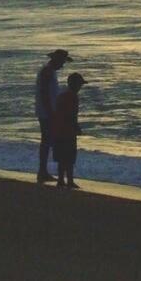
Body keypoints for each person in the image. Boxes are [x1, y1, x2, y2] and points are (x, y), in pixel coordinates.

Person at [35, 48, 70, 183]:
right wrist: (51, 112)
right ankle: (42, 171)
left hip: (46, 111)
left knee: (47, 141)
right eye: (62, 62)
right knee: (46, 141)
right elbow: (44, 93)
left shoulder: (49, 71)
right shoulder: (47, 72)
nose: (62, 65)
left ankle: (43, 171)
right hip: (46, 112)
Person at [53, 72, 86, 189]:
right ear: (75, 85)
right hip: (67, 131)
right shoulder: (73, 97)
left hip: (57, 130)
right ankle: (70, 180)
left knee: (61, 158)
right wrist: (76, 127)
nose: (80, 87)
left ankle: (61, 179)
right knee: (69, 158)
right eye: (80, 85)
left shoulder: (61, 95)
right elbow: (72, 115)